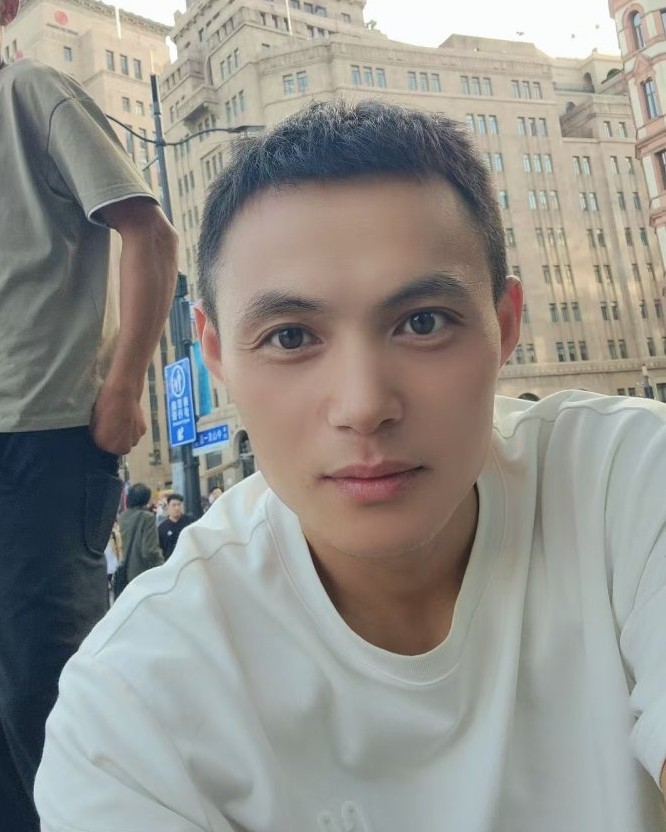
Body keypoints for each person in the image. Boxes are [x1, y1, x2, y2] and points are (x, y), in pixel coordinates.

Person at [36, 101, 666, 831]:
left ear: (504, 325)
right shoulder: (134, 702)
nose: (364, 406)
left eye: (423, 323)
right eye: (291, 336)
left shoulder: (626, 483)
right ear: (215, 354)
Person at [0, 0, 178, 828]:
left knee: (47, 696)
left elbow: (151, 234)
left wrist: (125, 386)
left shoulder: (33, 93)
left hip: (43, 439)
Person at [117, 484, 164, 588]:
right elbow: (150, 550)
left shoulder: (123, 517)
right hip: (144, 574)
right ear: (145, 499)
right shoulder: (147, 517)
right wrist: (162, 567)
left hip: (127, 572)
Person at [157, 492, 195, 560]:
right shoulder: (162, 528)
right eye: (174, 505)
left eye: (179, 505)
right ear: (168, 506)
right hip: (171, 561)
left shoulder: (190, 520)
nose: (177, 508)